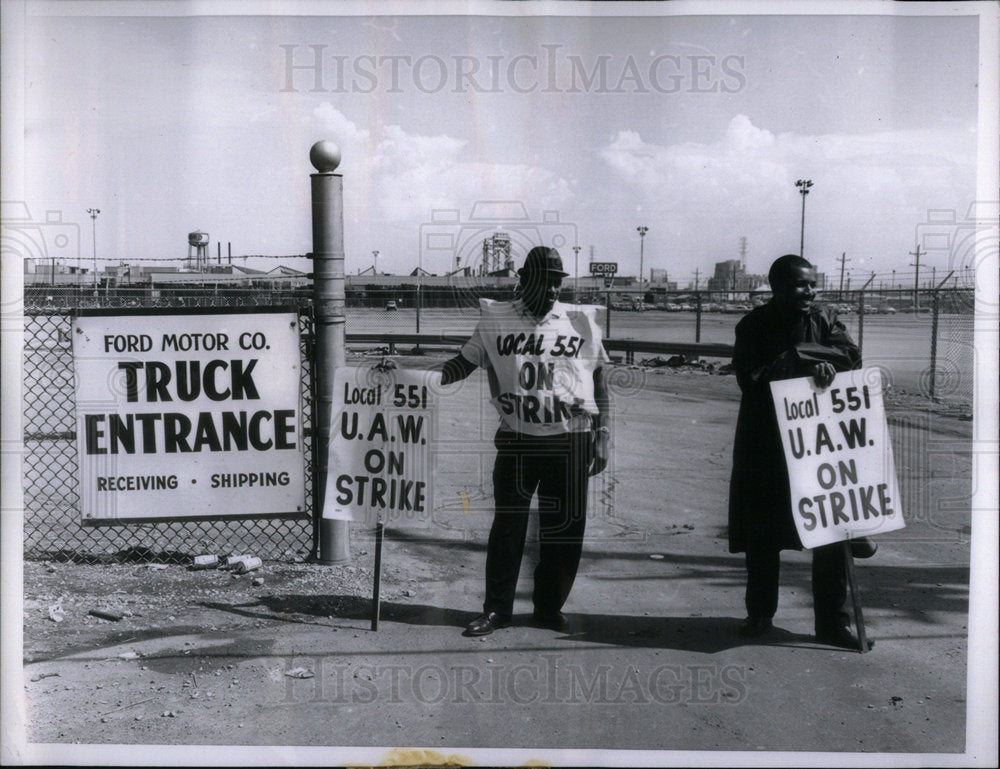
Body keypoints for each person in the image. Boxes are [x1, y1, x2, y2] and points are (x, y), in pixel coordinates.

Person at [440, 246, 612, 636]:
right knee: (508, 528)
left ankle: (548, 608)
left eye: (556, 282)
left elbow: (598, 379)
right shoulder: (495, 318)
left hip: (571, 440)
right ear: (522, 279)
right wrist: (416, 377)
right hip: (517, 440)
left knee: (565, 531)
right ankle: (497, 610)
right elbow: (462, 364)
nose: (551, 289)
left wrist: (603, 434)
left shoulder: (579, 322)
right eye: (543, 281)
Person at [728, 254, 876, 650]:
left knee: (830, 532)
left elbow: (850, 358)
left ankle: (832, 623)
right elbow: (749, 378)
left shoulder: (826, 319)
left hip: (818, 443)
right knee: (763, 533)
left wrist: (821, 365)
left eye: (812, 284)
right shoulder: (753, 325)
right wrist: (797, 363)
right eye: (799, 285)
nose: (808, 292)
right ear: (775, 287)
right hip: (767, 445)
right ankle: (760, 613)